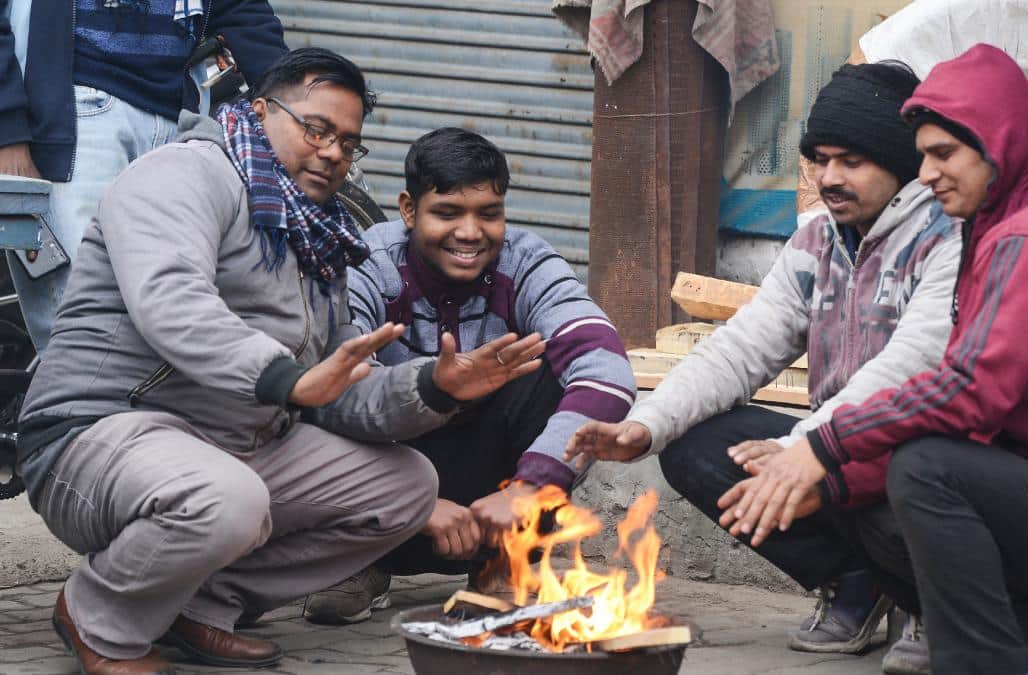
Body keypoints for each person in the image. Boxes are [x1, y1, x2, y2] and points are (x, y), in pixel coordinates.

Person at [16, 48, 546, 675]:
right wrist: (288, 380)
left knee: (406, 486)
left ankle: (199, 605)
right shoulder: (183, 175)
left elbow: (341, 382)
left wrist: (434, 384)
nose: (331, 153)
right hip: (99, 431)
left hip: (230, 443)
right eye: (316, 129)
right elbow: (172, 302)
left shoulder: (317, 231)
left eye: (348, 143)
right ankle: (100, 616)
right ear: (261, 110)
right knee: (226, 498)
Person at [716, 43, 1028, 674]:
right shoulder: (999, 224)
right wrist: (830, 481)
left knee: (925, 469)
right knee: (864, 490)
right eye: (924, 155)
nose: (928, 172)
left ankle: (997, 657)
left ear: (1001, 145)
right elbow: (972, 401)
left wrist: (824, 447)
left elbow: (970, 392)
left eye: (945, 154)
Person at [564, 61, 960, 670]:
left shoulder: (947, 242)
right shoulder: (818, 243)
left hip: (909, 447)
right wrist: (645, 425)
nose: (829, 177)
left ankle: (929, 604)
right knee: (694, 446)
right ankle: (858, 581)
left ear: (901, 163)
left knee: (913, 466)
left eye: (851, 161)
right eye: (819, 159)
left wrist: (805, 447)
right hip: (832, 446)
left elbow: (910, 368)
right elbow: (741, 348)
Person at [302, 126, 637, 625]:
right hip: (387, 488)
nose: (470, 233)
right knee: (332, 386)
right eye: (447, 213)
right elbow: (328, 391)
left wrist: (531, 488)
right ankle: (357, 565)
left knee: (547, 370)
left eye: (488, 214)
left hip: (494, 501)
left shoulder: (526, 263)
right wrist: (413, 497)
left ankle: (506, 561)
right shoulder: (364, 262)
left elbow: (607, 371)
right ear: (409, 210)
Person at [0, 0, 288, 350]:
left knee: (174, 318)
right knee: (85, 329)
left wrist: (293, 101)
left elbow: (242, 10)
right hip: (73, 116)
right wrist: (8, 130)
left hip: (179, 122)